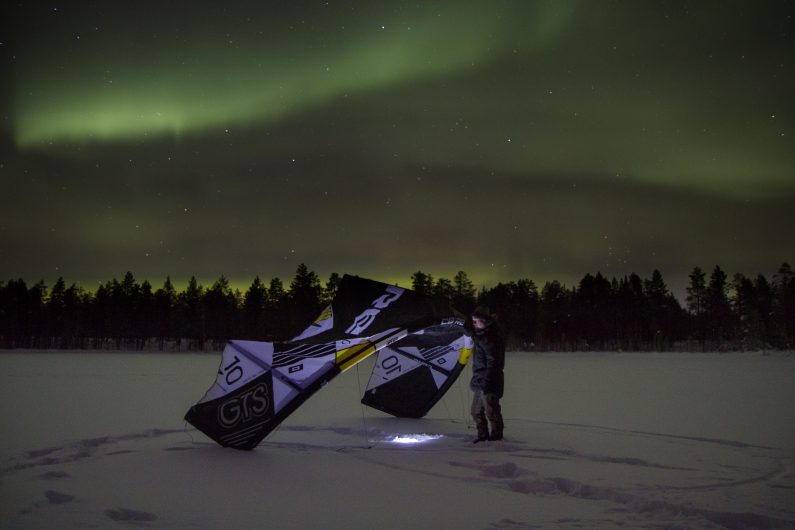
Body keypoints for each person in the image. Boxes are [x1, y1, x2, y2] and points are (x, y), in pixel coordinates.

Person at [467, 306, 505, 443]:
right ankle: (482, 436)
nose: (474, 324)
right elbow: (476, 335)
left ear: (485, 321)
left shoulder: (491, 337)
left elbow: (493, 362)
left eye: (477, 321)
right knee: (476, 412)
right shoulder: (481, 335)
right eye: (473, 321)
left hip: (489, 381)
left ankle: (497, 438)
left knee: (491, 411)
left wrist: (487, 382)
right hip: (480, 380)